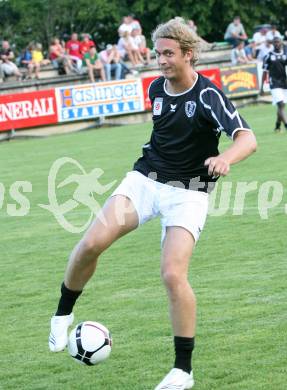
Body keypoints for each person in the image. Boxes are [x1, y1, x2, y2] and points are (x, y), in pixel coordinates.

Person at [48, 18, 257, 390]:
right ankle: (62, 315)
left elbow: (247, 137)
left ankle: (182, 370)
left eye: (168, 54)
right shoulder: (156, 88)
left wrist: (227, 157)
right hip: (146, 180)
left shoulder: (208, 95)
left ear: (188, 54)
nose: (159, 60)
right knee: (92, 243)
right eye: (157, 53)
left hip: (189, 191)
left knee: (172, 274)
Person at [261, 36, 287, 132]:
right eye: (275, 42)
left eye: (278, 42)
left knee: (282, 106)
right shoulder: (268, 56)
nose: (276, 43)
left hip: (284, 83)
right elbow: (264, 72)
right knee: (280, 104)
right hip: (274, 83)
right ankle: (286, 125)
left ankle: (277, 125)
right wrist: (262, 88)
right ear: (272, 44)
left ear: (281, 43)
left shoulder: (285, 55)